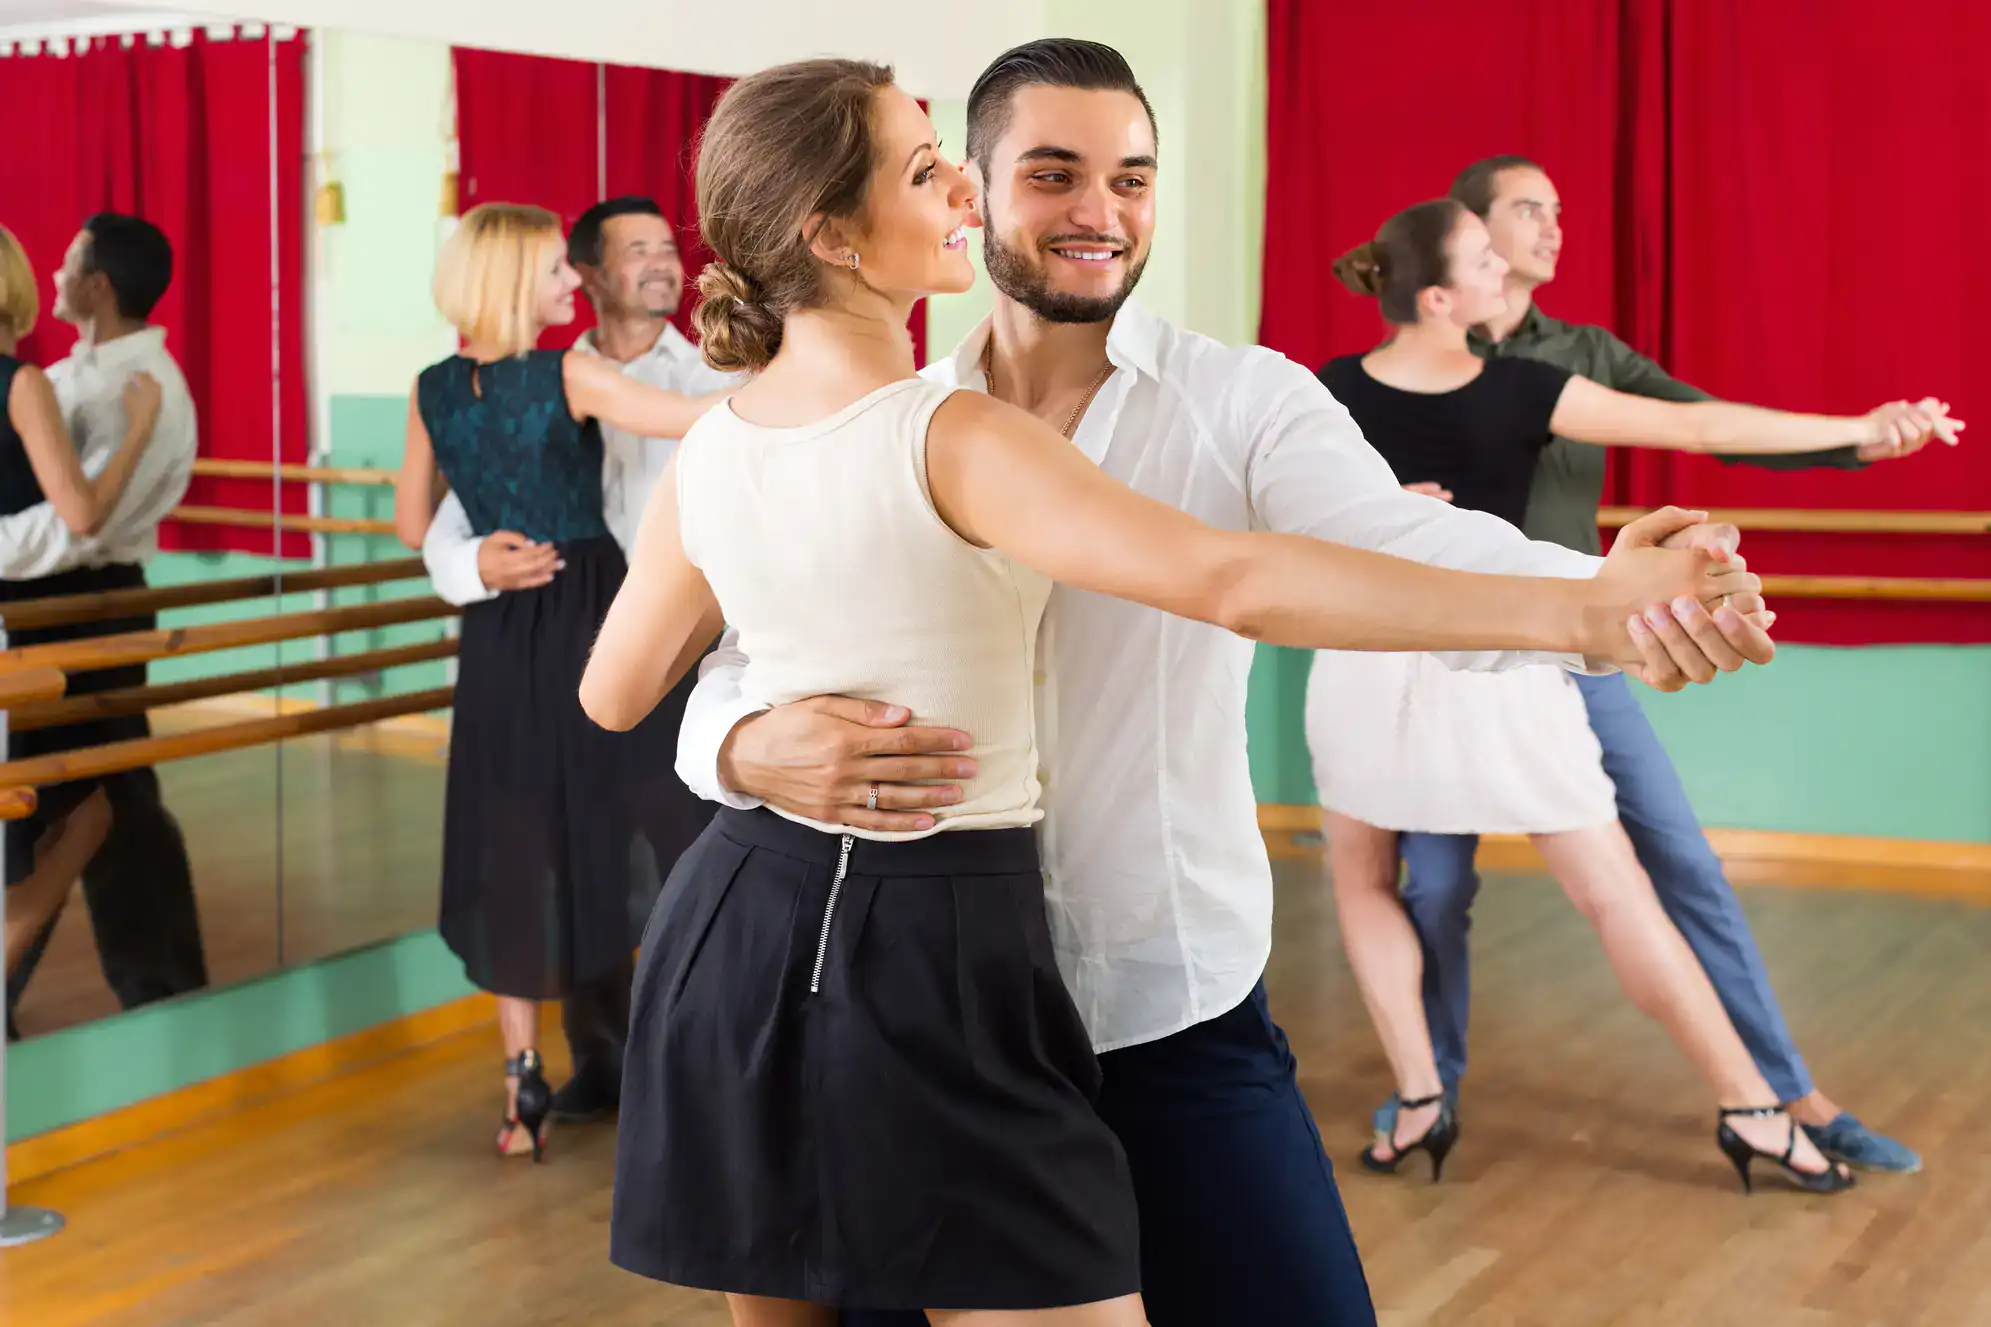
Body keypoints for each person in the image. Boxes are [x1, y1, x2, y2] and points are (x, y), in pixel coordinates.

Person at [663, 40, 1777, 1327]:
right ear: (967, 188)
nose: (1100, 211)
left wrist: (1602, 606)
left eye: (1131, 177)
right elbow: (741, 657)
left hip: (1162, 1012)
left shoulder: (1236, 400)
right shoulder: (887, 415)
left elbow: (1392, 550)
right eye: (1053, 174)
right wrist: (740, 747)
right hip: (917, 1021)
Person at [1310, 198, 1956, 1194]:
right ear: (1436, 297)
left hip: (1372, 651)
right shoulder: (1511, 386)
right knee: (1589, 887)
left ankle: (1423, 1096)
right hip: (1494, 650)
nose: (1507, 275)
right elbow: (1692, 425)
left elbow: (1694, 421)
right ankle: (1746, 1107)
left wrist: (1856, 433)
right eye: (1486, 259)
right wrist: (1859, 429)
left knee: (1375, 883)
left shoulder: (1332, 393)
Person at [393, 201, 724, 1161]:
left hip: (502, 631)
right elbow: (696, 414)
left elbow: (412, 521)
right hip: (591, 612)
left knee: (518, 835)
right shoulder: (569, 371)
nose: (569, 285)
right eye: (552, 272)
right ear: (511, 284)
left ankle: (521, 1087)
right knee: (656, 819)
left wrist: (483, 557)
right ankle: (672, 1068)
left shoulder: (429, 388)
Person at [0, 214, 207, 1036]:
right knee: (69, 803)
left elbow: (78, 525)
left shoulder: (145, 386)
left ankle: (162, 991)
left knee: (104, 797)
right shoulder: (58, 375)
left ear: (98, 285)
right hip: (38, 603)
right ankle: (155, 989)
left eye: (66, 258)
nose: (52, 272)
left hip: (90, 600)